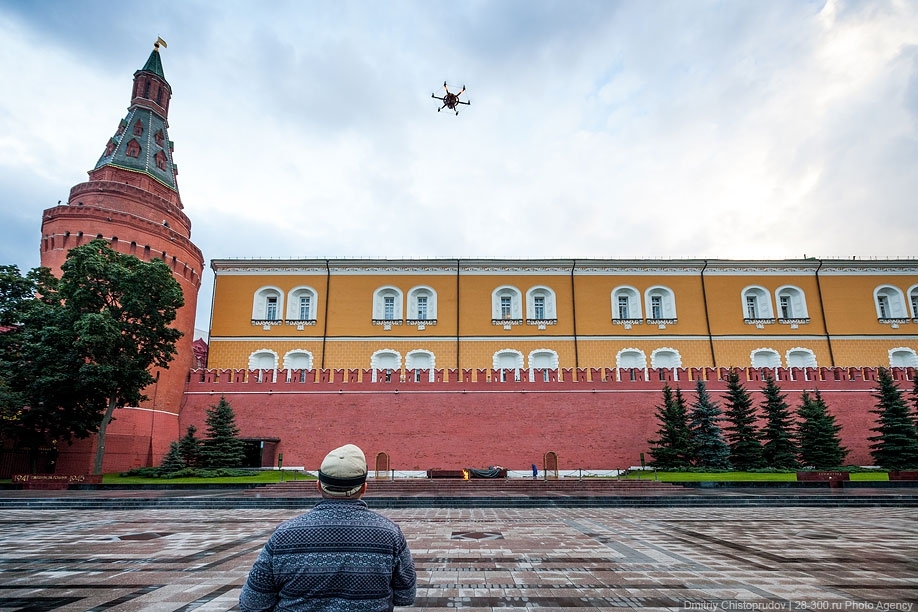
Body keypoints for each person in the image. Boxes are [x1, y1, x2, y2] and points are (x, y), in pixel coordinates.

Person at [239, 444, 416, 611]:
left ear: (318, 486)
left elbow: (252, 603)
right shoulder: (389, 534)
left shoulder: (284, 535)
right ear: (364, 488)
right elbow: (406, 596)